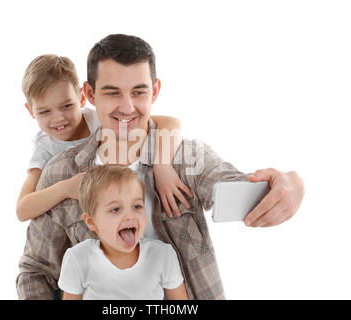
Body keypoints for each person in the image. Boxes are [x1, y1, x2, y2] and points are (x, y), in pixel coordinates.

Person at [16, 34, 305, 300]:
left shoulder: (186, 157)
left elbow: (239, 190)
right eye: (113, 93)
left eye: (139, 92)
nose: (127, 107)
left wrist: (291, 183)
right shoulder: (61, 173)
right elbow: (36, 271)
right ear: (90, 95)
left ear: (155, 91)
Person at [16, 54, 192, 222]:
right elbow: (22, 210)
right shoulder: (45, 147)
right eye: (44, 111)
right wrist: (66, 189)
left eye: (67, 106)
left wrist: (162, 165)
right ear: (31, 111)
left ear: (82, 97)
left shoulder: (98, 119)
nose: (58, 118)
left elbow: (170, 123)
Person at [58, 164, 189, 300]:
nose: (130, 216)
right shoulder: (78, 258)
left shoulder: (163, 255)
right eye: (115, 209)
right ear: (91, 222)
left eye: (137, 206)